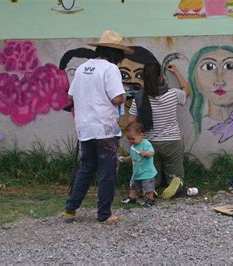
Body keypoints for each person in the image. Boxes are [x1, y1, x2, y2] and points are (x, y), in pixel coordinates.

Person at [64, 30, 134, 224]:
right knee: (107, 171)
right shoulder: (110, 69)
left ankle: (71, 208)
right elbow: (116, 98)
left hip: (84, 127)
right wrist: (125, 95)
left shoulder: (82, 67)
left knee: (86, 168)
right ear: (115, 53)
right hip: (104, 128)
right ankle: (104, 213)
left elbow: (71, 96)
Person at [128, 62, 190, 200]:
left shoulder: (139, 98)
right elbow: (187, 91)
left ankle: (151, 188)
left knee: (149, 174)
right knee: (176, 175)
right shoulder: (173, 94)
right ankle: (176, 182)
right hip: (172, 142)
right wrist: (176, 72)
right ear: (161, 78)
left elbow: (131, 122)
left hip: (148, 144)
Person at [120, 122, 157, 207]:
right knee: (133, 186)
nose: (130, 141)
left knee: (148, 187)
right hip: (136, 172)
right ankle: (132, 198)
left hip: (147, 172)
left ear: (141, 135)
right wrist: (126, 159)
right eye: (128, 139)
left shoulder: (146, 143)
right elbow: (133, 156)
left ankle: (150, 199)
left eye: (132, 139)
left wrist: (145, 153)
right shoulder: (133, 146)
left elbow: (152, 153)